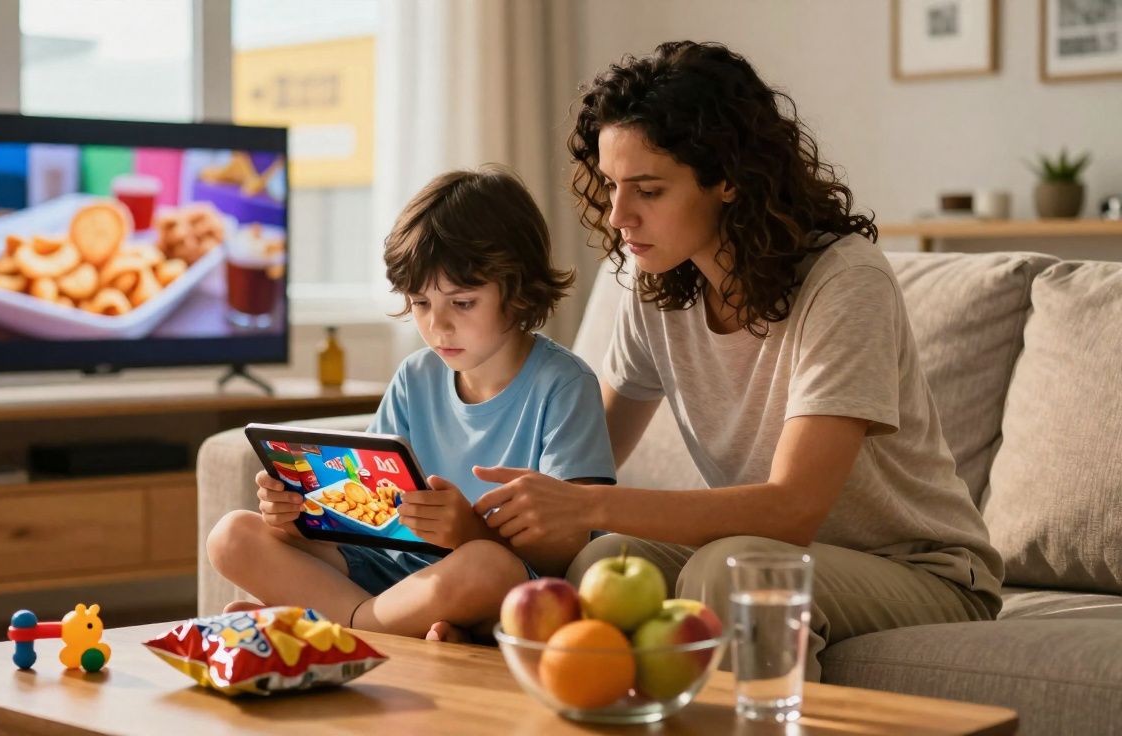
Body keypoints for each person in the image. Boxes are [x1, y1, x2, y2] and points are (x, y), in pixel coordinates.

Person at [471, 41, 1003, 679]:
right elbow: (585, 460)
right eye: (612, 187)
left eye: (648, 190)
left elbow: (791, 510)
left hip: (923, 571)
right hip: (764, 552)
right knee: (604, 560)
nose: (618, 217)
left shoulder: (845, 283)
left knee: (730, 570)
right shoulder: (655, 286)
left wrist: (585, 506)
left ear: (728, 178)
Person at [207, 166, 616, 642]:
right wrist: (302, 516)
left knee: (487, 567)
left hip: (491, 581)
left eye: (462, 304)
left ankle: (343, 625)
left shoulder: (564, 386)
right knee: (233, 535)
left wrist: (466, 530)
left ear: (519, 291)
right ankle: (391, 626)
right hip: (395, 576)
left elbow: (562, 557)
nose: (438, 326)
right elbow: (371, 517)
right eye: (421, 303)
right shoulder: (415, 377)